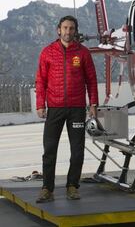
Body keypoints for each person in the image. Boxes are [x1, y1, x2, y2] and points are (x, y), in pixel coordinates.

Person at [35, 15, 98, 203]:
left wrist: (93, 103)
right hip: (54, 108)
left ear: (75, 31)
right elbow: (41, 80)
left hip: (77, 108)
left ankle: (72, 186)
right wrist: (40, 104)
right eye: (65, 28)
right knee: (50, 149)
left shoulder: (83, 53)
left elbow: (91, 80)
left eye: (71, 28)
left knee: (77, 150)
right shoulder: (47, 52)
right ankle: (47, 188)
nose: (68, 31)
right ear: (58, 30)